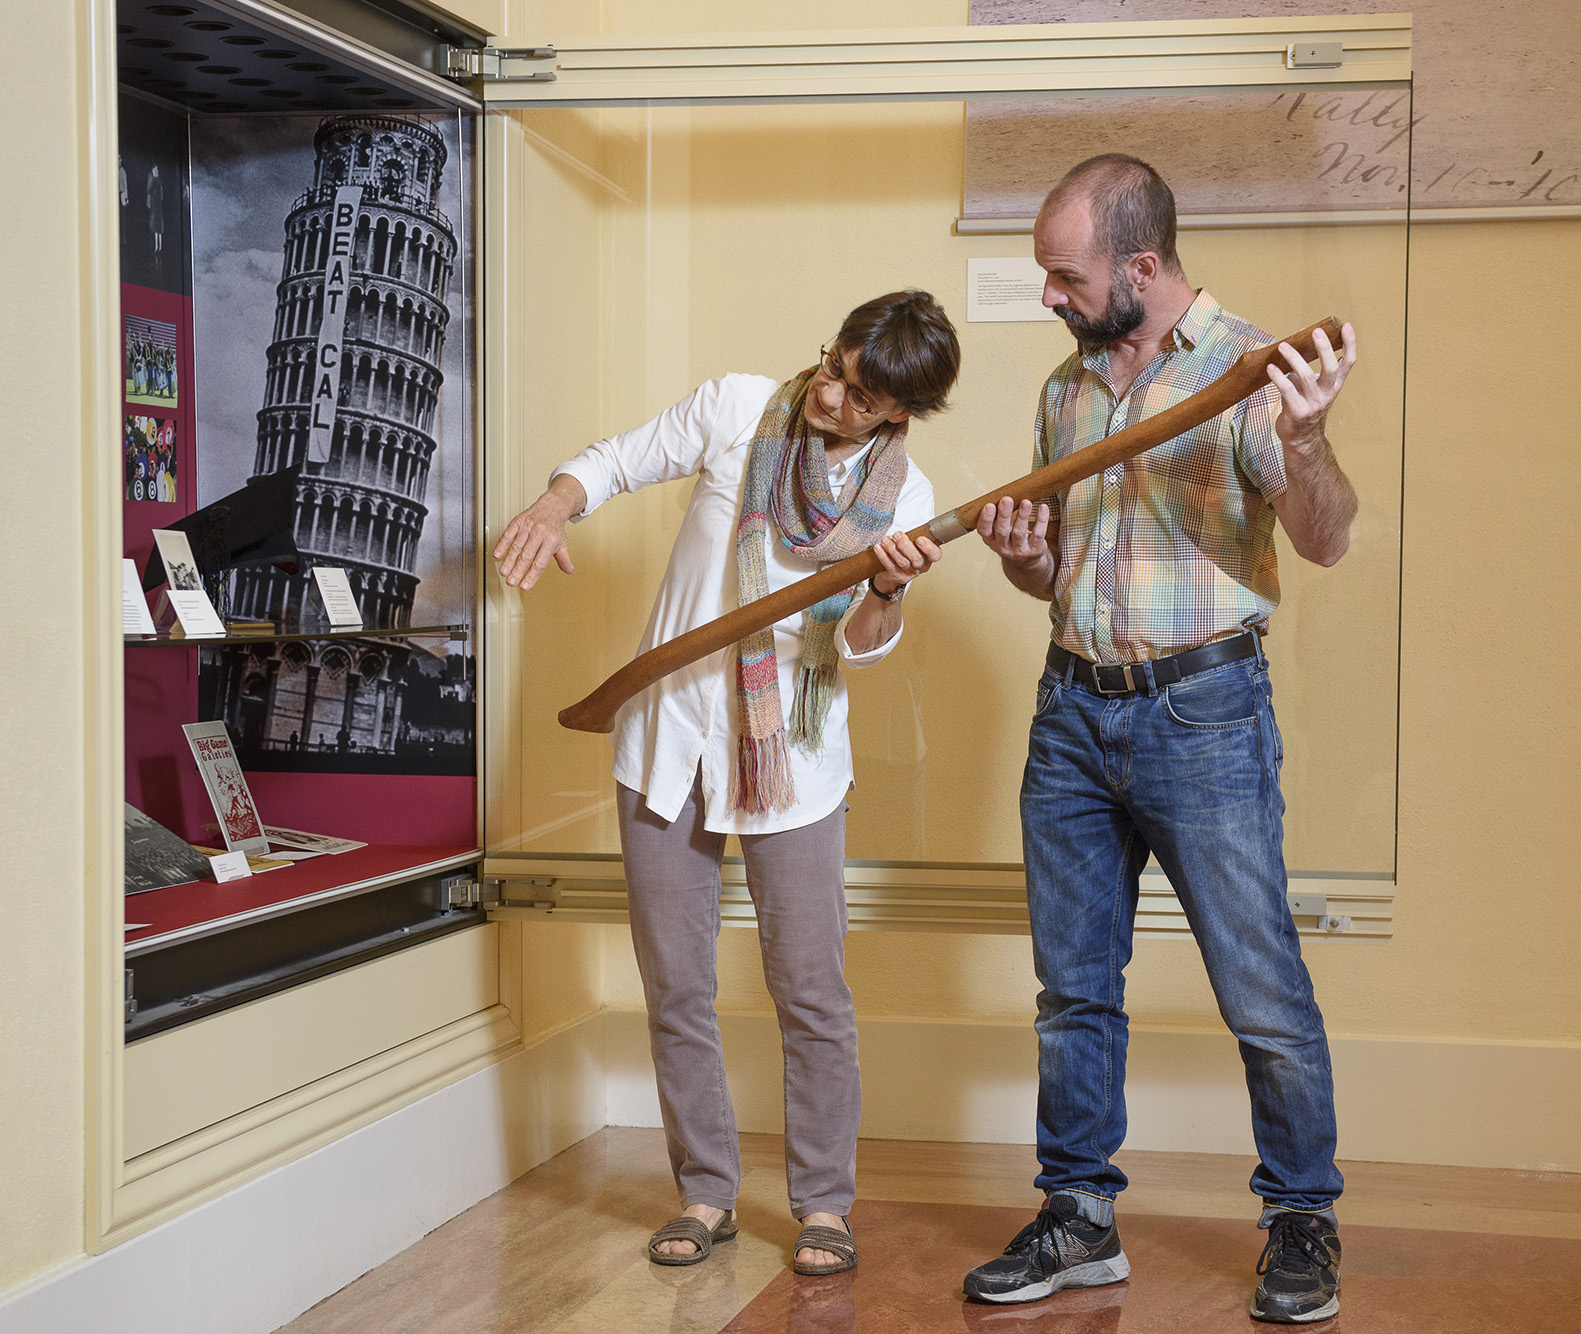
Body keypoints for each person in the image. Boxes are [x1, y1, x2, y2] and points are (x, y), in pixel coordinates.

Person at [962, 154, 1359, 1323]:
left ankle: (1299, 1214)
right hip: (1070, 712)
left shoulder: (1248, 374)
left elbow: (1326, 541)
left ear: (1140, 266)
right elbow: (1057, 578)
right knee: (1071, 991)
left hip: (1203, 715)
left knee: (1261, 988)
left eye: (1062, 274)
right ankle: (1076, 1214)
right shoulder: (1065, 390)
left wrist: (1311, 437)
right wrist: (1027, 559)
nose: (1048, 295)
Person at [493, 290, 960, 1277]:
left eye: (857, 392)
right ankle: (704, 1189)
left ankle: (824, 1201)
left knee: (809, 988)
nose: (828, 393)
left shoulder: (905, 500)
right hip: (665, 741)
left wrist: (881, 584)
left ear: (894, 413)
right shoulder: (740, 407)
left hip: (788, 759)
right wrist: (552, 502)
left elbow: (863, 649)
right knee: (676, 981)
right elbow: (615, 460)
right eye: (830, 365)